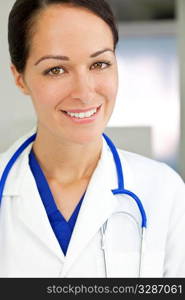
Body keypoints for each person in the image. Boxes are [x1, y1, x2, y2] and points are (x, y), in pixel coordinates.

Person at [0, 0, 185, 278]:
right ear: (20, 78)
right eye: (56, 69)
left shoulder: (164, 192)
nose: (84, 93)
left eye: (99, 64)